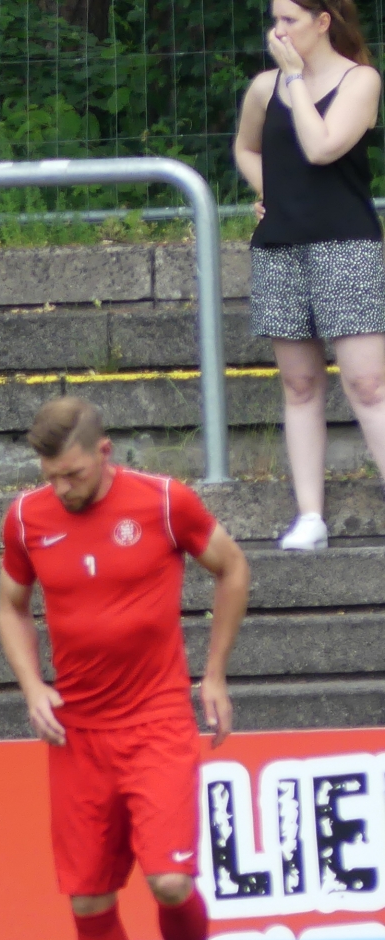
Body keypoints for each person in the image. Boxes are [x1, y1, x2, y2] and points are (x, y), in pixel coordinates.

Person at [0, 397, 252, 940]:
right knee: (88, 899)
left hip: (156, 721)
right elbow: (11, 607)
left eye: (74, 474)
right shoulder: (25, 518)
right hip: (78, 734)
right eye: (51, 476)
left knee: (169, 881)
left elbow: (232, 567)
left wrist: (214, 673)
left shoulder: (165, 503)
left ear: (104, 453)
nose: (62, 488)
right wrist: (32, 687)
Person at [234, 0, 385, 551]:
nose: (278, 31)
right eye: (275, 20)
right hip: (281, 247)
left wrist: (297, 80)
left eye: (290, 20)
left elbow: (321, 148)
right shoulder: (264, 88)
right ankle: (310, 516)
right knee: (299, 385)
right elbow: (246, 148)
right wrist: (269, 191)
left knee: (368, 384)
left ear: (323, 22)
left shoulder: (360, 80)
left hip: (346, 246)